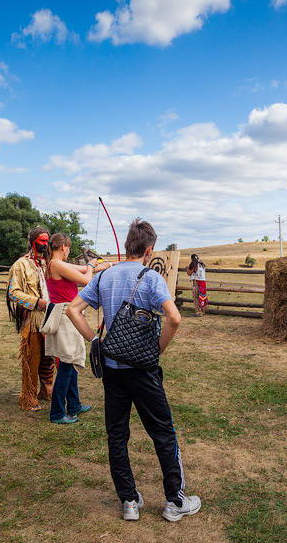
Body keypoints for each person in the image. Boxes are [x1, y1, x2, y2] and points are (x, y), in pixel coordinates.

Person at [66, 219, 201, 523]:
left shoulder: (104, 277)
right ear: (149, 249)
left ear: (127, 245)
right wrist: (157, 351)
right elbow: (175, 318)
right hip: (143, 369)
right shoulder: (151, 278)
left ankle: (129, 501)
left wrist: (94, 341)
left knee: (117, 434)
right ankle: (174, 501)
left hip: (113, 369)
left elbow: (73, 310)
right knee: (163, 433)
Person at [45, 233, 111, 424]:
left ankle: (73, 405)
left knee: (71, 362)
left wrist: (108, 265)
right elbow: (87, 279)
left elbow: (84, 269)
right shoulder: (56, 264)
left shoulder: (57, 264)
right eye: (68, 248)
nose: (69, 251)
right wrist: (91, 266)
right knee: (66, 365)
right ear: (63, 247)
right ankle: (57, 413)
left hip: (68, 314)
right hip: (66, 315)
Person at [6, 227, 54, 411]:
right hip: (33, 320)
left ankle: (46, 390)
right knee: (32, 358)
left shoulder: (47, 263)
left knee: (48, 356)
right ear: (32, 241)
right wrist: (36, 302)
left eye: (47, 241)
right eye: (42, 241)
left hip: (49, 318)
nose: (45, 244)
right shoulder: (21, 264)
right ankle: (29, 396)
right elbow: (13, 293)